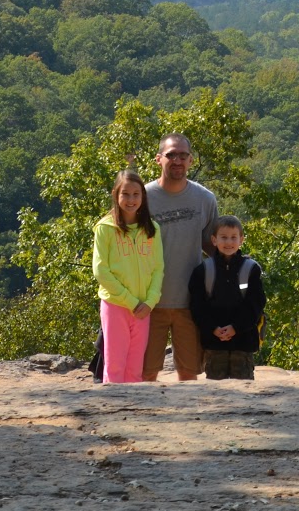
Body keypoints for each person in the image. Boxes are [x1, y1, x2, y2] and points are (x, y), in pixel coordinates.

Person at [141, 132, 219, 381]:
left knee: (189, 373)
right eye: (171, 155)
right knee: (145, 373)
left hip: (191, 302)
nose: (177, 160)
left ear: (191, 161)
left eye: (182, 155)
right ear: (158, 159)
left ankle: (188, 421)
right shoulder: (140, 198)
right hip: (148, 302)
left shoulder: (205, 199)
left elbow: (214, 245)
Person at [92, 169, 163, 384]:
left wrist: (150, 302)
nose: (131, 200)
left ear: (143, 196)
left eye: (136, 194)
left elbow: (158, 269)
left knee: (135, 368)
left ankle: (133, 415)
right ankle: (111, 413)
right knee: (114, 366)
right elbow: (100, 270)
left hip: (143, 308)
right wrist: (131, 302)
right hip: (116, 306)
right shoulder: (105, 228)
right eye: (125, 194)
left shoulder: (152, 229)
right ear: (116, 195)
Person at [188, 215, 266, 380]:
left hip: (243, 343)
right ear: (214, 240)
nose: (229, 242)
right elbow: (197, 306)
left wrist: (236, 327)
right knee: (215, 391)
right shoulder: (202, 271)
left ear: (241, 240)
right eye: (223, 237)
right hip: (214, 342)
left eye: (233, 237)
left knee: (244, 390)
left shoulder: (252, 269)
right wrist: (212, 328)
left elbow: (256, 304)